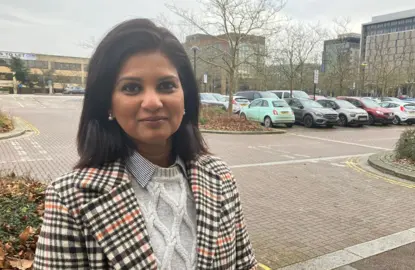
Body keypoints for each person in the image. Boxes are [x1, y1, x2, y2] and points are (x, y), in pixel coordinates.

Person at [34, 18, 257, 270]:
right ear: (108, 104)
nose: (152, 102)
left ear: (185, 97)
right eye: (131, 88)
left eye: (166, 85)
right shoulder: (70, 198)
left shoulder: (220, 178)